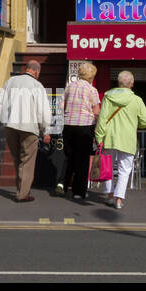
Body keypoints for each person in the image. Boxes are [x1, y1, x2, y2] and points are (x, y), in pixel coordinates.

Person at [93, 70, 146, 211]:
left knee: (107, 167)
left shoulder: (108, 97)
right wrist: (136, 124)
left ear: (118, 83)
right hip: (127, 139)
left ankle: (109, 195)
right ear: (131, 84)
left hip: (110, 137)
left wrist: (99, 137)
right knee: (124, 170)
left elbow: (102, 119)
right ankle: (119, 199)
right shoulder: (137, 100)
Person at [2, 60, 52, 203]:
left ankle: (21, 189)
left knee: (17, 159)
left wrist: (4, 120)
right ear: (36, 72)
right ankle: (22, 194)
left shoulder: (10, 81)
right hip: (29, 128)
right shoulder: (37, 86)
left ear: (26, 68)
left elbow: (0, 103)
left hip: (11, 125)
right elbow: (43, 111)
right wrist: (46, 130)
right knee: (27, 161)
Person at [60, 61, 100, 200]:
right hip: (85, 126)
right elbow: (96, 111)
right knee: (83, 160)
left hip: (68, 125)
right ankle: (79, 191)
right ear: (91, 76)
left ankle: (63, 185)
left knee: (70, 157)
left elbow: (62, 105)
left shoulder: (69, 86)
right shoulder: (92, 90)